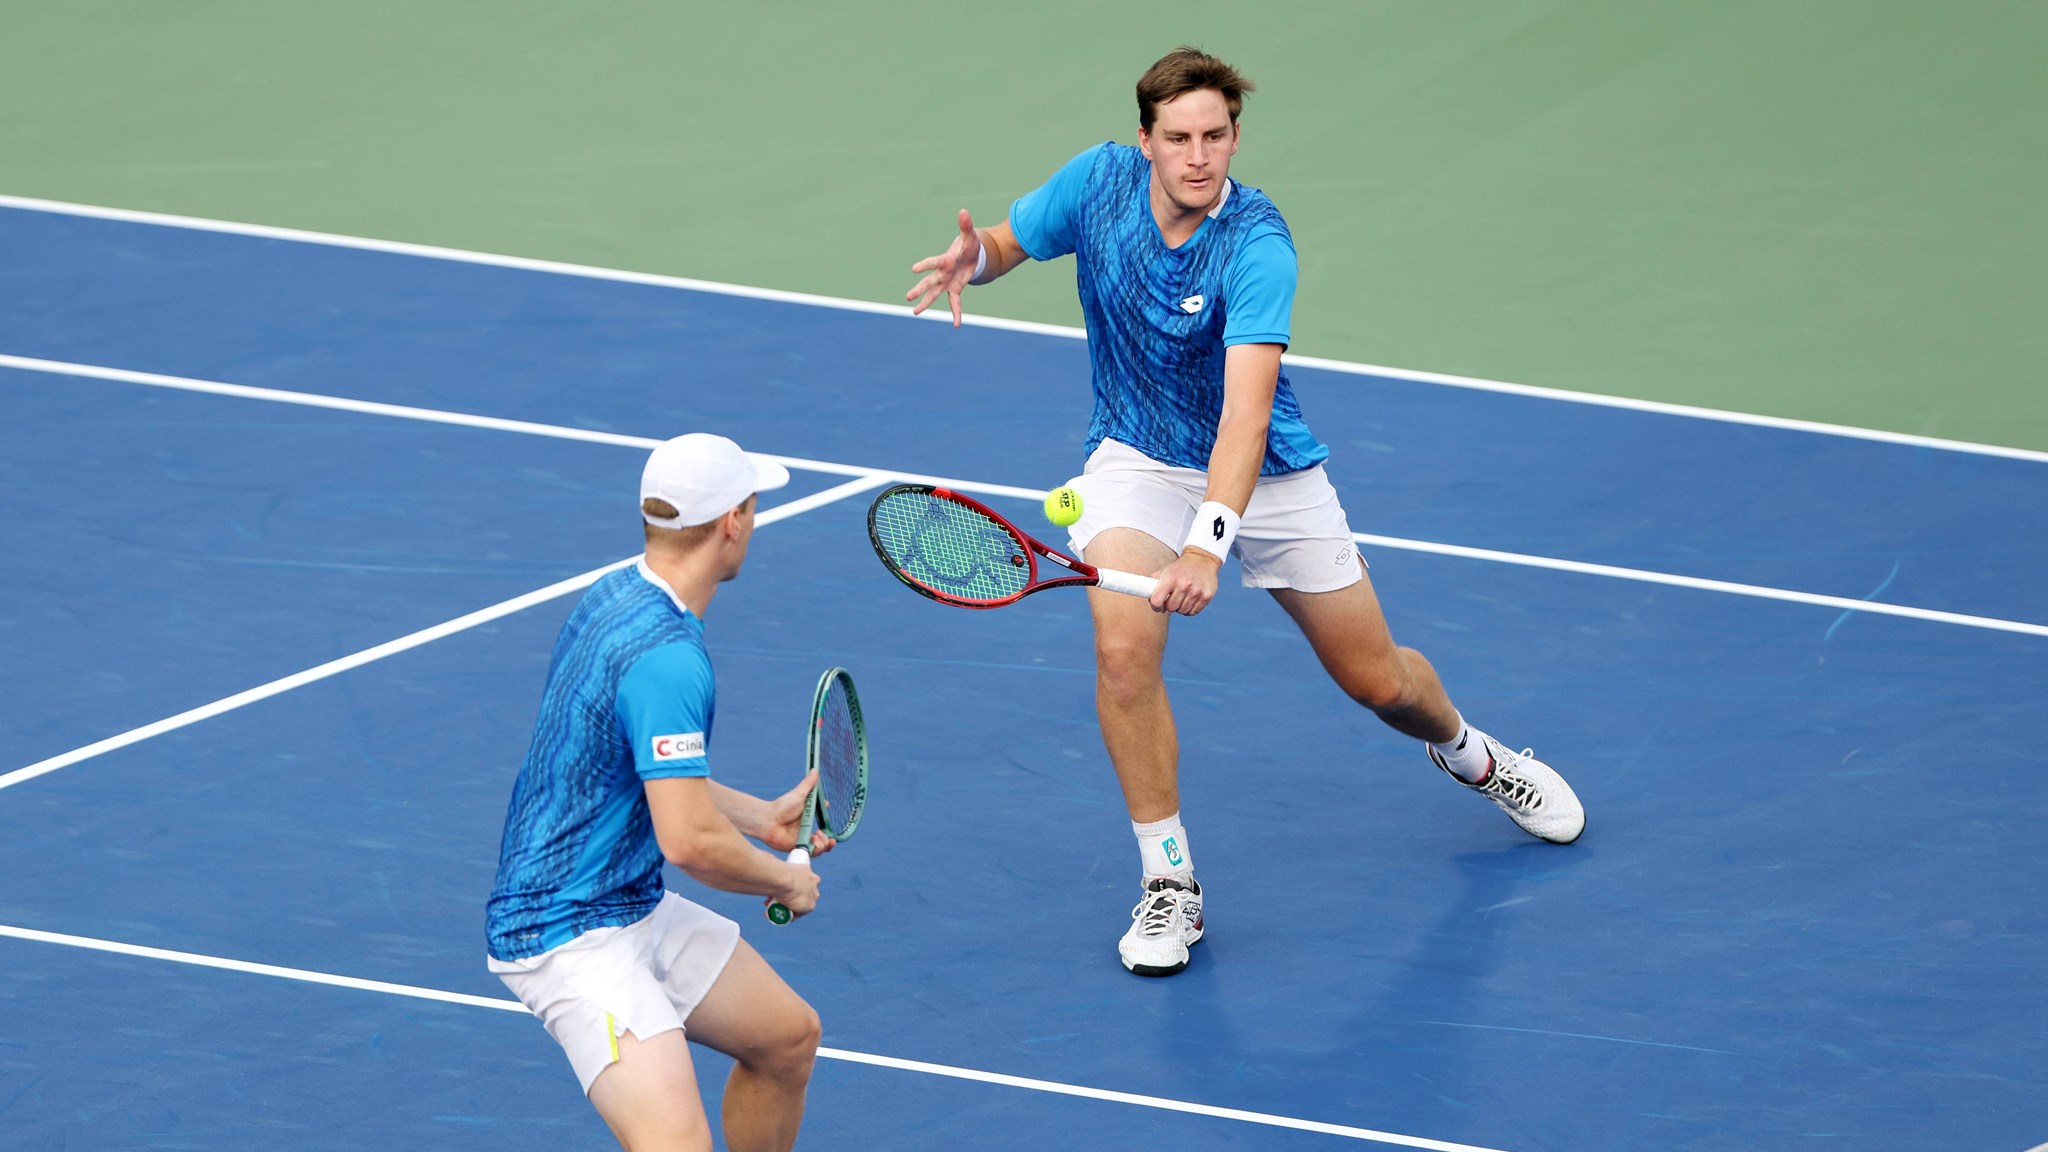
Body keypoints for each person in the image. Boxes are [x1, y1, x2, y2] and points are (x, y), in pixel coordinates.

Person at [905, 47, 1586, 978]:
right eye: (1178, 138)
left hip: (1266, 478)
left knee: (1379, 683)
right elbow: (1004, 243)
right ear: (1144, 142)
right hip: (1138, 459)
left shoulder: (1258, 244)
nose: (1198, 156)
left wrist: (1208, 546)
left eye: (1215, 136)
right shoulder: (1095, 184)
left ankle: (1472, 754)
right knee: (1120, 649)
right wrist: (971, 257)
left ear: (1234, 136)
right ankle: (1168, 881)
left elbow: (1245, 418)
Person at [485, 433, 829, 1151]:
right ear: (733, 521)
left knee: (786, 1039)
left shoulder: (616, 596)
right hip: (567, 933)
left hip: (624, 899)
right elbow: (689, 842)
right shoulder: (669, 661)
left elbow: (636, 769)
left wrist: (761, 818)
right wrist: (784, 881)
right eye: (753, 506)